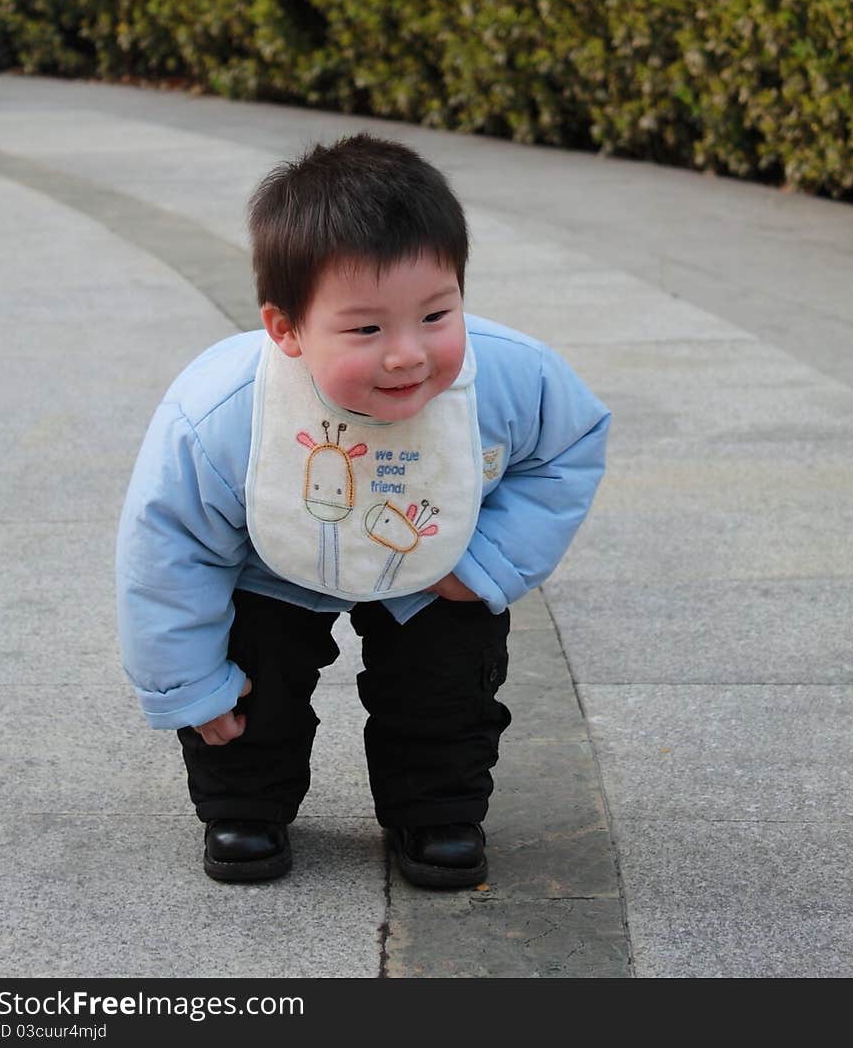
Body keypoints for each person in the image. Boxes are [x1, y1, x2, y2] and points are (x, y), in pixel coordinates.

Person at [116, 133, 610, 890]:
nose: (408, 354)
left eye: (437, 314)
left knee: (446, 687)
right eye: (367, 329)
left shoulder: (512, 378)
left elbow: (570, 446)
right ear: (285, 329)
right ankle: (244, 805)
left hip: (433, 562)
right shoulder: (222, 412)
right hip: (269, 563)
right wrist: (188, 684)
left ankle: (438, 811)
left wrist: (488, 563)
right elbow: (167, 549)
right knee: (250, 686)